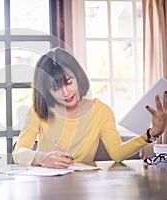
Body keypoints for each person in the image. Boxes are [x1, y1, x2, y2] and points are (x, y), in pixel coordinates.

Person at [12, 47, 167, 169]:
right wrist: (43, 158)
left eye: (69, 82)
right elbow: (18, 153)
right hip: (47, 188)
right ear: (46, 90)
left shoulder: (101, 111)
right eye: (55, 87)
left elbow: (117, 153)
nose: (66, 92)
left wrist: (152, 133)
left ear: (78, 76)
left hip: (85, 186)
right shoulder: (39, 111)